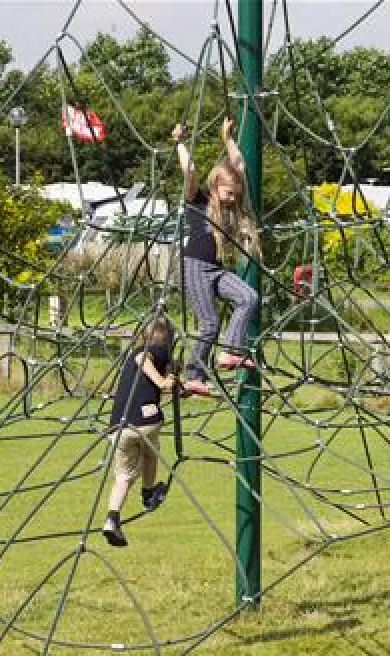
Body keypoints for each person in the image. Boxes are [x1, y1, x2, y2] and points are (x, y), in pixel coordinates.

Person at [173, 117, 261, 396]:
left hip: (215, 268)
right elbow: (189, 170)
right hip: (194, 266)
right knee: (209, 323)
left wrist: (228, 138)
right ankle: (193, 375)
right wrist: (180, 143)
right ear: (214, 186)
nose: (231, 198)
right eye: (227, 192)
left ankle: (229, 353)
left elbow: (240, 166)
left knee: (248, 297)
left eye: (235, 194)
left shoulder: (234, 208)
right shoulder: (198, 201)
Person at [102, 315, 177, 547]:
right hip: (145, 421)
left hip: (117, 427)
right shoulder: (153, 351)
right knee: (150, 454)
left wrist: (170, 382)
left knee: (123, 476)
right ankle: (148, 493)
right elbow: (144, 359)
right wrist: (164, 381)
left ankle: (112, 518)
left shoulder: (129, 355)